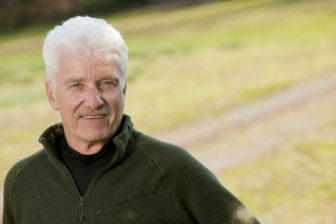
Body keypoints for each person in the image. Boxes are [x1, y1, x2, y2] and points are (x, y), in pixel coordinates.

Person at [3, 16, 260, 224]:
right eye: (77, 85)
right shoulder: (22, 182)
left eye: (107, 83)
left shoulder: (171, 169)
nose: (94, 101)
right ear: (52, 95)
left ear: (123, 90)